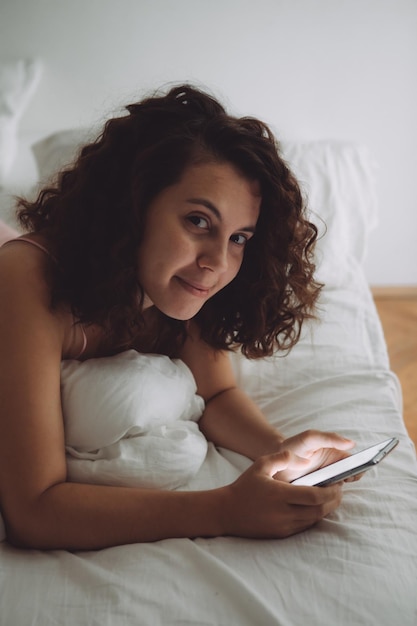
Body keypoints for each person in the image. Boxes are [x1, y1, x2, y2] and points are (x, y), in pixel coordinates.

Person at [0, 84, 355, 551]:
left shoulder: (176, 285)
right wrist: (225, 508)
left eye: (239, 238)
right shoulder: (27, 279)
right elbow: (35, 509)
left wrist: (282, 453)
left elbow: (219, 391)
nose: (217, 262)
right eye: (199, 222)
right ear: (133, 207)